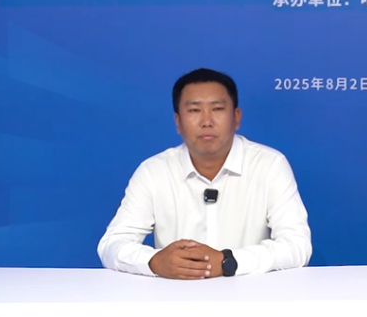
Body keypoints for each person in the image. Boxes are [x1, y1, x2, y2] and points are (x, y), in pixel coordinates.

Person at [98, 68, 312, 279]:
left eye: (217, 109)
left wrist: (227, 261)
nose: (206, 121)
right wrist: (154, 261)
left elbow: (297, 245)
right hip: (175, 294)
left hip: (251, 295)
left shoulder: (269, 165)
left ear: (236, 117)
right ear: (177, 122)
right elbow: (112, 244)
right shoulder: (154, 171)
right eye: (194, 110)